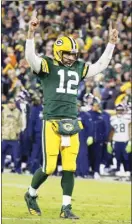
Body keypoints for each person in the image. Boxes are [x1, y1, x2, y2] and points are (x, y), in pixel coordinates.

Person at [24, 11, 118, 219]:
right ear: (59, 52)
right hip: (52, 120)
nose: (71, 57)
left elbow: (100, 66)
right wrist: (31, 33)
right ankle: (31, 194)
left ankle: (66, 207)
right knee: (49, 166)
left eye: (73, 54)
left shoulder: (77, 67)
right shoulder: (47, 65)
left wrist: (111, 44)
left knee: (69, 166)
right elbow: (30, 57)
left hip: (71, 121)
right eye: (67, 53)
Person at [2, 99, 22, 173]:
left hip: (14, 137)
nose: (11, 104)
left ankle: (17, 169)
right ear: (8, 104)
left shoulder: (18, 112)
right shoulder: (3, 111)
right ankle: (1, 168)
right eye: (10, 103)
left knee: (16, 154)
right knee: (1, 153)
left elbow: (21, 124)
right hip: (5, 136)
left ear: (15, 104)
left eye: (13, 103)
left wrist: (18, 131)